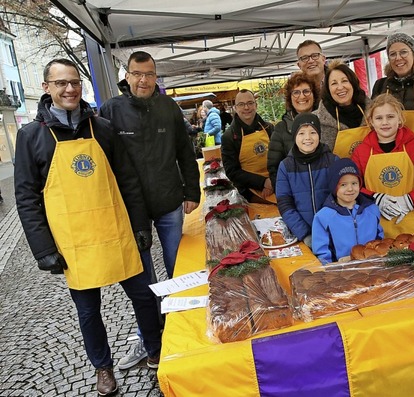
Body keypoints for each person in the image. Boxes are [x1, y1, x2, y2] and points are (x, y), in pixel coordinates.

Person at [14, 58, 163, 396]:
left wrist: (140, 225)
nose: (70, 89)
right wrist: (44, 249)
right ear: (47, 87)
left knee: (142, 296)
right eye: (61, 83)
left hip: (116, 231)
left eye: (75, 82)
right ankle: (103, 368)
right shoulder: (30, 137)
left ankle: (154, 350)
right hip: (74, 242)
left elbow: (128, 180)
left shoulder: (103, 127)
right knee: (88, 311)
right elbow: (26, 198)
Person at [99, 51, 201, 369]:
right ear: (127, 76)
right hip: (131, 211)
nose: (144, 80)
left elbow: (186, 151)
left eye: (150, 74)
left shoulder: (168, 107)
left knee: (178, 269)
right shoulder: (110, 110)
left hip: (170, 202)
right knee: (144, 278)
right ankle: (152, 334)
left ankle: (183, 327)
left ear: (156, 78)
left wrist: (192, 191)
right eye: (137, 74)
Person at [352, 94, 414, 237]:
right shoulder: (361, 151)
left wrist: (409, 201)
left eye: (390, 117)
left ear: (400, 119)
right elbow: (354, 186)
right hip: (377, 224)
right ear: (371, 122)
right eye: (379, 118)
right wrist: (375, 199)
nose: (385, 122)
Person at [276, 112, 338, 248]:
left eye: (313, 133)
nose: (307, 138)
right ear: (294, 136)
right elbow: (285, 204)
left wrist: (330, 227)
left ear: (319, 135)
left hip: (334, 232)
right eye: (301, 133)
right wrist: (305, 234)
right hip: (303, 237)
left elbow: (341, 197)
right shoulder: (286, 166)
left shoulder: (333, 161)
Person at [312, 158, 384, 264]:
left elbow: (379, 239)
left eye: (354, 183)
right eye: (343, 184)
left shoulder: (371, 209)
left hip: (373, 266)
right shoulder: (323, 217)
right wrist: (331, 270)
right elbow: (322, 252)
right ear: (334, 187)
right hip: (341, 271)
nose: (350, 189)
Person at [371, 32, 414, 135]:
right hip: (394, 149)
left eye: (403, 52)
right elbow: (372, 120)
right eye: (392, 54)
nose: (398, 58)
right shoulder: (380, 86)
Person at [267, 72, 320, 191]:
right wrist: (287, 197)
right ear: (290, 98)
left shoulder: (325, 122)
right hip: (296, 195)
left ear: (314, 95)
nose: (301, 96)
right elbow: (274, 169)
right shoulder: (281, 129)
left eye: (306, 91)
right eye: (296, 92)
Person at [221, 89, 275, 202]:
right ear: (235, 108)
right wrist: (263, 182)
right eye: (241, 104)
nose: (246, 108)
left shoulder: (269, 128)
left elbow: (281, 158)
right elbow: (232, 171)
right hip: (249, 191)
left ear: (256, 105)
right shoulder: (229, 137)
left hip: (276, 183)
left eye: (250, 103)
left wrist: (273, 181)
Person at [315, 61, 371, 158]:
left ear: (353, 83)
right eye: (334, 83)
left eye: (345, 81)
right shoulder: (319, 121)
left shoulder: (372, 111)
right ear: (328, 89)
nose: (340, 87)